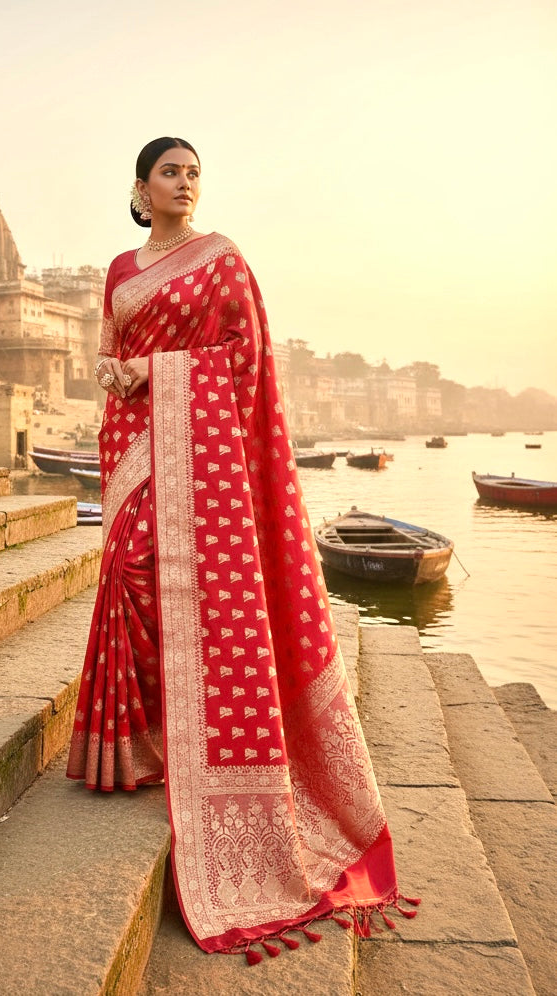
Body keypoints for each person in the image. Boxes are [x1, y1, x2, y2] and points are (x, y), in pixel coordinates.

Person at [66, 137, 418, 962]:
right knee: (123, 570)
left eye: (194, 174)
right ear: (140, 187)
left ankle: (191, 747)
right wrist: (116, 375)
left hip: (197, 450)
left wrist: (154, 372)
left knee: (158, 574)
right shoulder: (120, 269)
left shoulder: (222, 261)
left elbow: (245, 358)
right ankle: (135, 748)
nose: (185, 184)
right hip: (132, 447)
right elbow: (114, 354)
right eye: (170, 173)